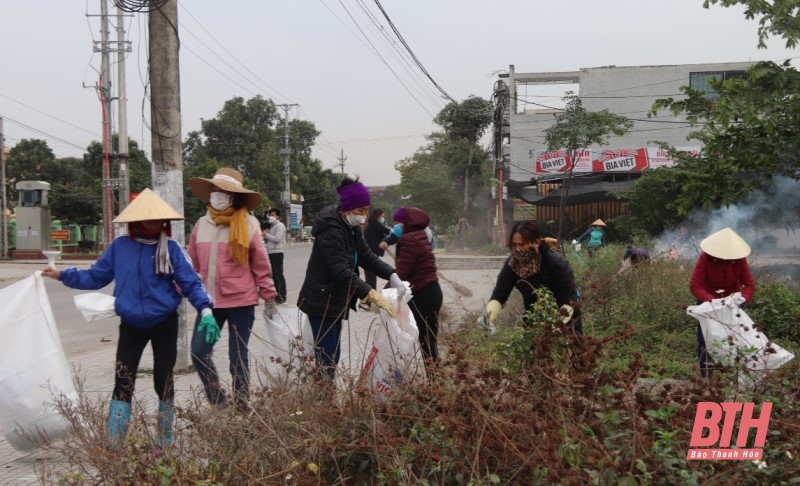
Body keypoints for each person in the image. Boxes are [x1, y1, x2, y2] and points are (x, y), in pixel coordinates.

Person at [41, 189, 215, 450]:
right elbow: (96, 277)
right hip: (131, 324)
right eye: (148, 219)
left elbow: (190, 282)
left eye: (158, 220)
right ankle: (115, 442)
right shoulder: (119, 247)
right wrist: (63, 275)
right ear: (136, 221)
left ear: (164, 222)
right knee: (123, 379)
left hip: (164, 322)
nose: (153, 224)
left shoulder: (173, 249)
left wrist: (206, 309)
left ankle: (165, 437)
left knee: (162, 379)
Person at [297, 177, 405, 382]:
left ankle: (325, 396)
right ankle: (324, 399)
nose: (364, 215)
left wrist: (392, 274)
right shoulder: (330, 231)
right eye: (360, 210)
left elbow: (366, 256)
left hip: (336, 298)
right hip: (322, 300)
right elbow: (341, 271)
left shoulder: (351, 227)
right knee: (327, 357)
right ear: (346, 209)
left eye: (367, 209)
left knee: (332, 355)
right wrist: (371, 295)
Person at [188, 167, 278, 411]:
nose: (218, 194)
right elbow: (191, 264)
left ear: (234, 196)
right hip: (209, 305)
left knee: (237, 357)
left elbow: (261, 263)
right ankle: (217, 398)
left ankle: (242, 406)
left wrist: (269, 296)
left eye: (224, 191)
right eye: (215, 190)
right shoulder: (201, 224)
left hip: (241, 301)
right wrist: (179, 291)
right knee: (198, 352)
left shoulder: (249, 224)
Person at [481, 220, 582, 333]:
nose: (518, 249)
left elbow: (569, 300)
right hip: (533, 317)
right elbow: (499, 295)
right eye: (514, 245)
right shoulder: (512, 265)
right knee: (533, 348)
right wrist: (489, 315)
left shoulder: (556, 263)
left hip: (566, 314)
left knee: (574, 347)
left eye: (522, 244)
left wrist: (556, 326)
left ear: (536, 242)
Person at [689, 227, 755, 378]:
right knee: (705, 338)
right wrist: (710, 300)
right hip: (708, 303)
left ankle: (734, 372)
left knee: (734, 337)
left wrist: (743, 298)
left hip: (732, 304)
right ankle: (706, 375)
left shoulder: (739, 260)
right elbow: (695, 285)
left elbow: (749, 285)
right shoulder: (705, 258)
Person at [393, 206, 443, 373]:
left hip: (422, 294)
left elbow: (401, 273)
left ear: (406, 222)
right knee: (429, 340)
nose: (396, 226)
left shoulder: (409, 240)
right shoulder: (421, 235)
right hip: (433, 291)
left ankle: (435, 382)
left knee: (426, 341)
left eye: (398, 223)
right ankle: (436, 381)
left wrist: (382, 296)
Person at [263, 207, 287, 304]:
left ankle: (282, 296)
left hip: (277, 252)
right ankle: (276, 296)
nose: (270, 217)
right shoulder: (270, 226)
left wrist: (266, 235)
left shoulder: (280, 226)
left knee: (279, 275)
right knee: (273, 276)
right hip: (270, 252)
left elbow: (277, 238)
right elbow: (268, 240)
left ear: (278, 216)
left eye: (273, 215)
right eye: (270, 215)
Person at [363, 208, 391, 290]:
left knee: (370, 275)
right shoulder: (375, 225)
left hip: (369, 252)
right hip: (371, 252)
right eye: (382, 216)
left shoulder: (370, 224)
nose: (382, 218)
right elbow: (388, 232)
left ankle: (371, 293)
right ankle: (371, 294)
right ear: (377, 216)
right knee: (371, 276)